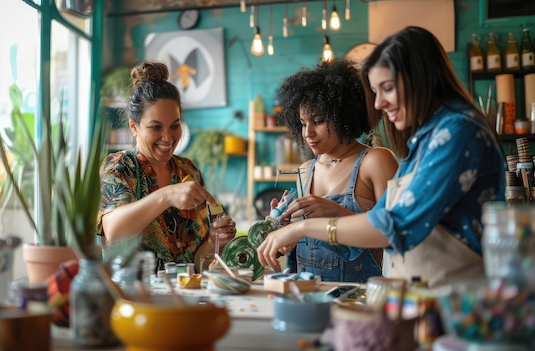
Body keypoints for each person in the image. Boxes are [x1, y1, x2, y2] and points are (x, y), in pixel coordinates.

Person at [257, 26, 506, 288]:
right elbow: (384, 221)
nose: (378, 105)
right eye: (376, 92)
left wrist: (302, 228)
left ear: (420, 78)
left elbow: (391, 226)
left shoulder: (457, 132)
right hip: (428, 296)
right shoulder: (426, 140)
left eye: (387, 88)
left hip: (459, 297)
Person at [97, 61, 237, 272]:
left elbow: (196, 264)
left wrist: (214, 241)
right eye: (156, 127)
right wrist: (167, 195)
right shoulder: (119, 168)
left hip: (185, 298)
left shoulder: (188, 170)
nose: (168, 137)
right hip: (136, 299)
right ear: (134, 127)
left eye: (175, 126)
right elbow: (114, 231)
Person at [271, 58, 398, 283]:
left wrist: (336, 212)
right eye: (302, 123)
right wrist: (279, 227)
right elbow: (299, 242)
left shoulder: (375, 161)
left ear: (344, 116)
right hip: (306, 301)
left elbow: (394, 237)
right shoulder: (304, 171)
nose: (307, 132)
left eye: (318, 121)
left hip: (359, 302)